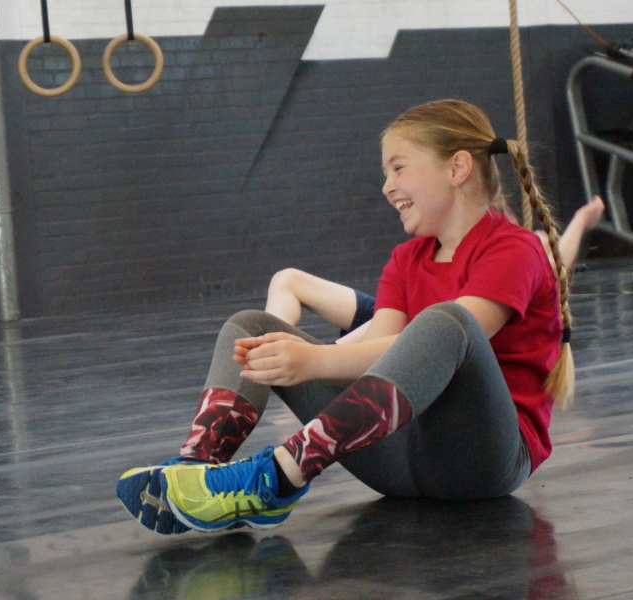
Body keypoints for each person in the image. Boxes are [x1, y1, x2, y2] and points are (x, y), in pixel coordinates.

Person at [117, 98, 575, 535]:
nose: (387, 186)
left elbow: (459, 332)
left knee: (449, 321)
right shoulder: (405, 260)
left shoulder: (514, 250)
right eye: (385, 173)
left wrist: (315, 361)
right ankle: (196, 473)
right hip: (397, 462)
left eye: (398, 167)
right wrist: (302, 358)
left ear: (457, 168)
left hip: (481, 462)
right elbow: (378, 353)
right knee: (251, 325)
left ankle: (277, 478)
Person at [263, 196, 604, 344]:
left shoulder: (519, 252)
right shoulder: (429, 251)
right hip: (399, 316)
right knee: (288, 280)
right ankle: (267, 345)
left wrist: (579, 221)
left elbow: (557, 262)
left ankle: (289, 358)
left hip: (420, 329)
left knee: (344, 351)